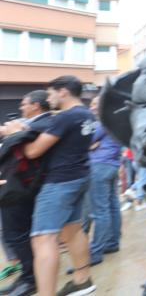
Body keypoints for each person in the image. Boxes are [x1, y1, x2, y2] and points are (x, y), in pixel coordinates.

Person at [7, 76, 97, 296]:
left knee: (42, 238)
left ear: (63, 91)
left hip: (59, 182)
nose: (49, 98)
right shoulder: (86, 114)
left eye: (50, 94)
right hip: (80, 177)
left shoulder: (65, 117)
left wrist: (16, 133)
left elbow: (33, 151)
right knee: (73, 230)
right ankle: (82, 280)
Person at [0, 91, 54, 296]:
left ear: (37, 106)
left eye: (24, 104)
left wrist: (12, 134)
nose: (21, 107)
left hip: (19, 189)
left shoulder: (40, 125)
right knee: (16, 236)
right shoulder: (32, 124)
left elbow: (10, 151)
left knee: (17, 236)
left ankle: (31, 279)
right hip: (18, 187)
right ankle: (27, 275)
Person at [86, 97, 121, 266]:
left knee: (100, 210)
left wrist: (91, 145)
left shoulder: (103, 121)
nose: (91, 106)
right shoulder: (115, 119)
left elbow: (86, 141)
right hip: (112, 164)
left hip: (99, 165)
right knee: (112, 206)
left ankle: (95, 252)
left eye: (94, 104)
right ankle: (112, 243)